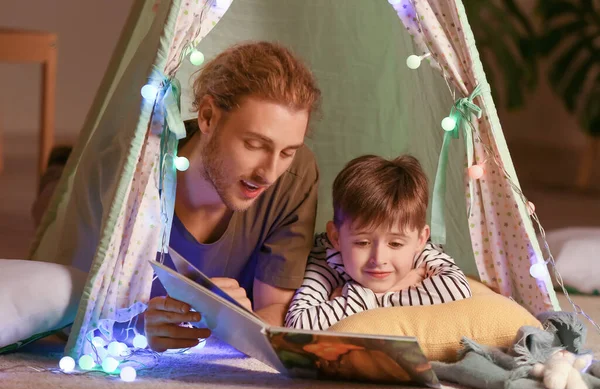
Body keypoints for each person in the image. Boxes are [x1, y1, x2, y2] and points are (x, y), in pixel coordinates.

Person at [34, 42, 322, 352]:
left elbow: (277, 312)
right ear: (208, 116)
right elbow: (72, 316)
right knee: (54, 201)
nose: (269, 172)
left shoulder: (295, 176)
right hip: (96, 186)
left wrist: (238, 321)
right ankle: (58, 167)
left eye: (288, 151)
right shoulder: (131, 172)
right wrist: (137, 327)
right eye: (254, 145)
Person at [284, 155, 472, 331]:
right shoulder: (326, 257)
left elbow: (457, 289)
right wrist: (367, 295)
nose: (379, 259)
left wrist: (370, 298)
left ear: (420, 239)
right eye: (363, 242)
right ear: (336, 237)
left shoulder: (421, 253)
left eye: (396, 244)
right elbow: (298, 325)